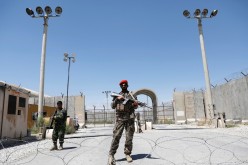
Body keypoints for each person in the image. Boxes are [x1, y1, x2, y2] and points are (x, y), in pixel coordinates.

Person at [108, 80, 138, 165]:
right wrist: (117, 99)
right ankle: (111, 155)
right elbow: (112, 106)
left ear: (127, 85)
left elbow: (135, 107)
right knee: (116, 137)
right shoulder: (117, 95)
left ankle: (127, 154)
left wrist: (135, 104)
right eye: (122, 84)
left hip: (129, 119)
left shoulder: (132, 95)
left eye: (125, 84)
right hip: (120, 119)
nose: (124, 85)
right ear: (120, 86)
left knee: (129, 138)